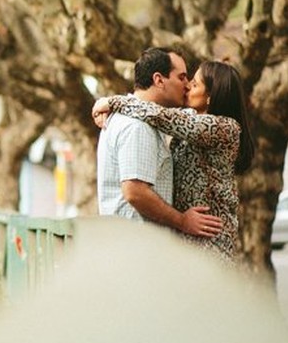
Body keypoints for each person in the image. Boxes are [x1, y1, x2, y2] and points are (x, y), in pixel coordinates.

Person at [93, 59, 255, 262]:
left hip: (209, 239)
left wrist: (112, 103)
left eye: (194, 84)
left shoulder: (225, 128)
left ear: (210, 97)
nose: (187, 87)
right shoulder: (188, 122)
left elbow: (162, 116)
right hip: (185, 237)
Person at [94, 47, 223, 241]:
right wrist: (182, 221)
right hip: (137, 244)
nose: (187, 85)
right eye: (182, 77)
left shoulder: (150, 120)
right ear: (159, 80)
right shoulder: (138, 126)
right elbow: (135, 192)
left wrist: (110, 102)